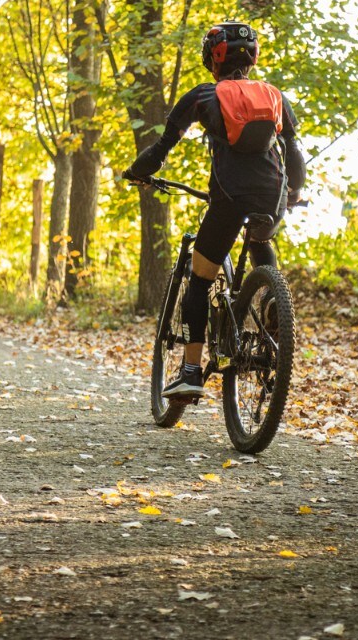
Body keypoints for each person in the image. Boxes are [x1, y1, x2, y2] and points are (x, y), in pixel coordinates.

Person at [122, 21, 306, 398]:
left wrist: (136, 173)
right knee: (260, 238)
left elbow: (160, 150)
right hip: (273, 192)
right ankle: (273, 303)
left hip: (229, 192)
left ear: (212, 60)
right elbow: (294, 151)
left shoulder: (204, 96)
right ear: (252, 58)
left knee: (201, 276)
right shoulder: (274, 95)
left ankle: (190, 371)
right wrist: (295, 191)